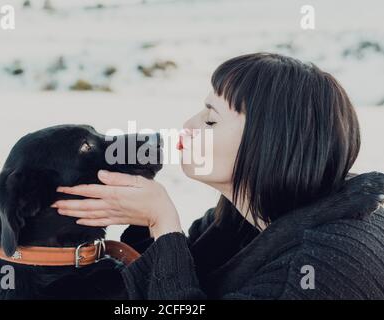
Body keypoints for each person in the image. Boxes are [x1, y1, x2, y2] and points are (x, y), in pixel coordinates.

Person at [52, 53, 384, 299]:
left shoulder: (324, 263)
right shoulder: (241, 219)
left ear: (269, 143)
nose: (188, 126)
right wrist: (145, 224)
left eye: (211, 121)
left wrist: (162, 222)